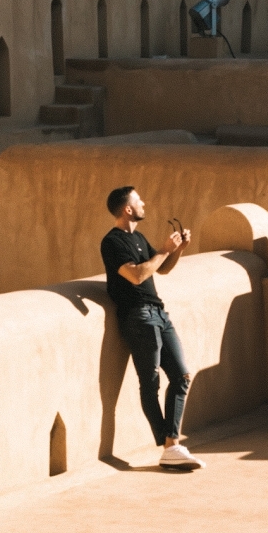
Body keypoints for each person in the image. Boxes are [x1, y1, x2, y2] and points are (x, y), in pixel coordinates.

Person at [100, 186, 205, 470]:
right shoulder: (112, 242)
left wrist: (177, 251)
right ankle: (170, 446)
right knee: (151, 381)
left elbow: (162, 269)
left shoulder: (138, 237)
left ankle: (171, 443)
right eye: (138, 200)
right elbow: (136, 275)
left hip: (158, 312)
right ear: (128, 209)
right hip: (138, 316)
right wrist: (163, 250)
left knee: (182, 374)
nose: (144, 203)